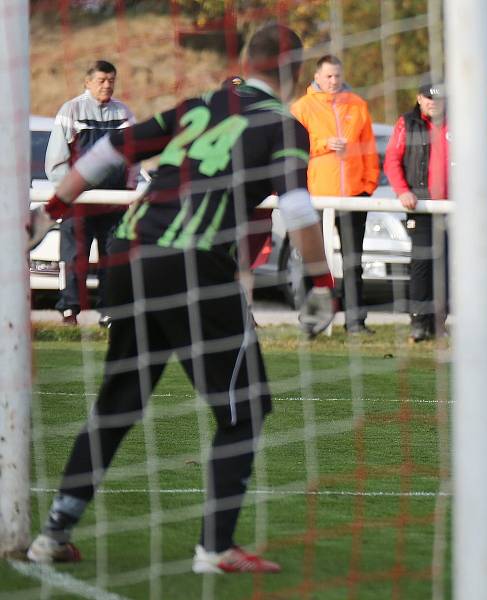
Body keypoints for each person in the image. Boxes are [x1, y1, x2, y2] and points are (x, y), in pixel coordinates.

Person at [26, 22, 335, 573]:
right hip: (193, 265)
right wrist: (320, 286)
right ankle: (215, 548)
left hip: (132, 252)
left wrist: (49, 212)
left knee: (120, 399)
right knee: (246, 408)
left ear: (247, 59)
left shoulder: (200, 106)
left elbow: (111, 149)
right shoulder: (282, 126)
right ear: (292, 74)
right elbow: (298, 208)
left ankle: (54, 533)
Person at [290, 55, 380, 334]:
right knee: (312, 261)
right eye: (328, 76)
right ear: (317, 77)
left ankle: (355, 322)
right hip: (315, 196)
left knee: (354, 262)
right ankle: (311, 322)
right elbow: (293, 148)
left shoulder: (357, 105)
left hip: (353, 196)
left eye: (337, 76)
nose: (333, 81)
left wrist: (368, 185)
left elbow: (369, 149)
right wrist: (323, 144)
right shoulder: (302, 108)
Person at [45, 60, 137, 326]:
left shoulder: (124, 112)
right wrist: (69, 192)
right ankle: (69, 310)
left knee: (113, 257)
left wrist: (128, 190)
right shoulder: (71, 110)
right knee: (75, 256)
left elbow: (134, 155)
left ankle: (109, 311)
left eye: (111, 80)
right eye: (101, 80)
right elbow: (56, 159)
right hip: (80, 201)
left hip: (113, 201)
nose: (107, 85)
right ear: (87, 82)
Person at [384, 82, 449, 342]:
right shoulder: (407, 123)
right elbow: (392, 160)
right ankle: (419, 322)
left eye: (439, 98)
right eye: (428, 97)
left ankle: (439, 322)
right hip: (420, 206)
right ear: (419, 99)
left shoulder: (459, 122)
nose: (434, 102)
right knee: (422, 263)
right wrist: (402, 191)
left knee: (447, 266)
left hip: (452, 208)